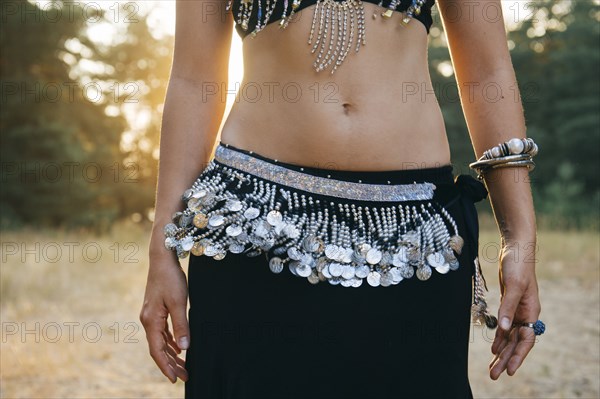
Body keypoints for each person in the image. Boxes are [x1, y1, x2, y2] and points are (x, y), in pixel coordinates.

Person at [140, 0, 544, 397]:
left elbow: (487, 72)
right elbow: (194, 81)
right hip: (253, 230)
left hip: (413, 239)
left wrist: (518, 236)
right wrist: (163, 247)